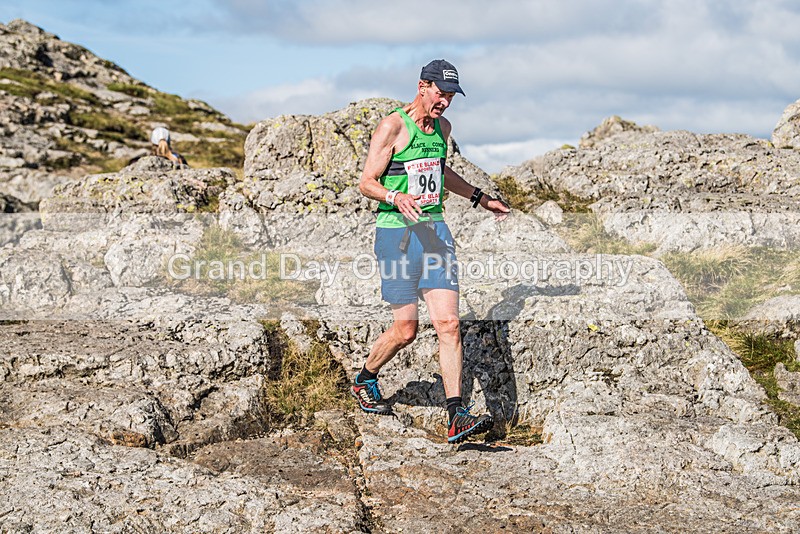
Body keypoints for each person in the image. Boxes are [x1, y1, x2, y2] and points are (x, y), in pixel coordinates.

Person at [353, 59, 510, 444]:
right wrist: (395, 197)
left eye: (451, 96)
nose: (445, 102)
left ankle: (456, 416)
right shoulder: (393, 127)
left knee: (449, 324)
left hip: (435, 232)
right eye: (441, 93)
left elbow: (441, 172)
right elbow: (366, 182)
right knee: (406, 330)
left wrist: (480, 197)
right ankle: (365, 379)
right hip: (397, 235)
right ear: (423, 86)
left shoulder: (443, 128)